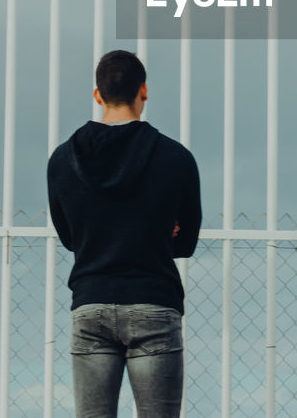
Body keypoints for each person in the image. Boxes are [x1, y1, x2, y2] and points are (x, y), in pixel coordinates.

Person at [47, 49, 202, 418]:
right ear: (143, 91)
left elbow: (71, 238)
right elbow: (187, 241)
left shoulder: (62, 159)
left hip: (92, 302)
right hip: (154, 301)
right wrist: (160, 230)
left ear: (98, 94)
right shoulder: (175, 158)